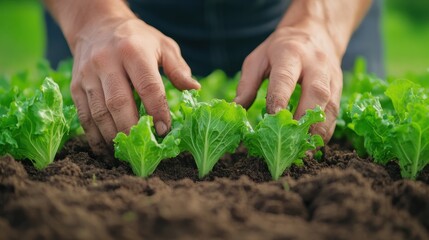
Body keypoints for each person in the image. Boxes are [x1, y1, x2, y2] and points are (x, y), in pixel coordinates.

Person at [43, 0, 384, 155]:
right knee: (97, 113)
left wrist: (320, 23)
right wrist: (94, 18)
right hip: (125, 14)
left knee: (333, 118)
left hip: (306, 10)